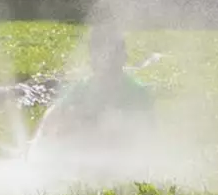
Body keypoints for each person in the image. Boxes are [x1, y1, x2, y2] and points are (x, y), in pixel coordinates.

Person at [30, 24, 154, 155]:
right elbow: (52, 117)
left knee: (112, 121)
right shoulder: (81, 89)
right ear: (92, 61)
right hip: (85, 152)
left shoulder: (137, 93)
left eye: (113, 56)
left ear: (123, 58)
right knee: (71, 115)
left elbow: (147, 136)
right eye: (100, 56)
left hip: (122, 153)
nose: (107, 63)